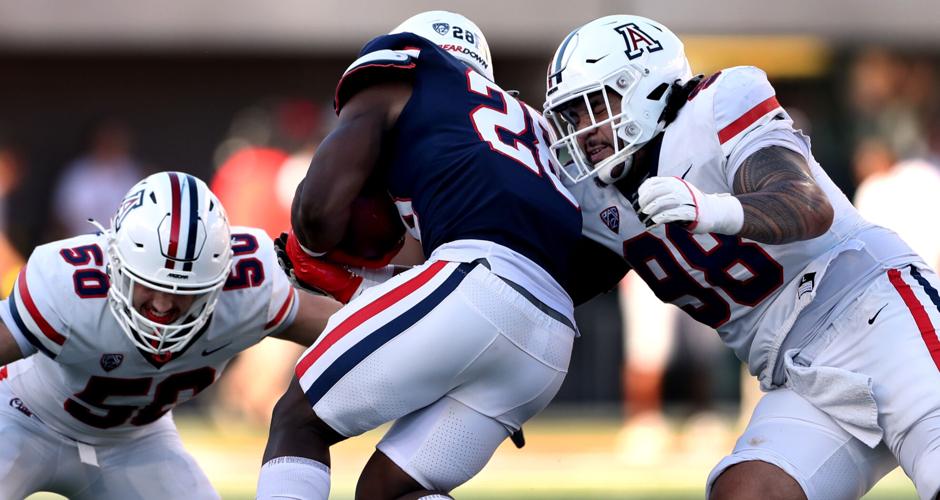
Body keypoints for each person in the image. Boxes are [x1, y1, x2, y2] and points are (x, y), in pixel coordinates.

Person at [543, 15, 940, 500]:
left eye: (593, 107)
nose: (583, 131)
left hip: (874, 316)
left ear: (642, 87)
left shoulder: (718, 104)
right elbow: (555, 282)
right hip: (797, 373)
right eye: (573, 117)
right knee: (744, 493)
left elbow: (806, 206)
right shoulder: (597, 198)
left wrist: (712, 208)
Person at [257, 10, 583, 500]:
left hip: (477, 281)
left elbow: (317, 215)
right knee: (387, 491)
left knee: (298, 420)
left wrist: (318, 244)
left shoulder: (409, 67)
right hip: (552, 338)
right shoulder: (530, 129)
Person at [0, 171, 340, 499]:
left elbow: (347, 333)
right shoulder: (69, 286)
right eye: (150, 285)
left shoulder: (252, 285)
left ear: (221, 278)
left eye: (185, 291)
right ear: (116, 264)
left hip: (135, 443)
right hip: (23, 418)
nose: (162, 306)